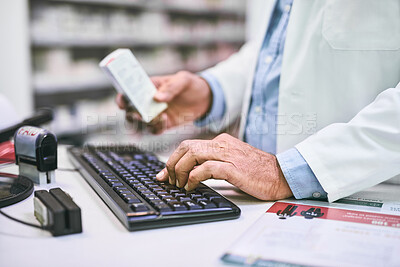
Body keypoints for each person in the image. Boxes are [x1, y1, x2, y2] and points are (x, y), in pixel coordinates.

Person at [116, 0, 400, 202]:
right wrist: (210, 91)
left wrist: (290, 171)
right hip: (252, 197)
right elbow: (273, 51)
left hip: (357, 191)